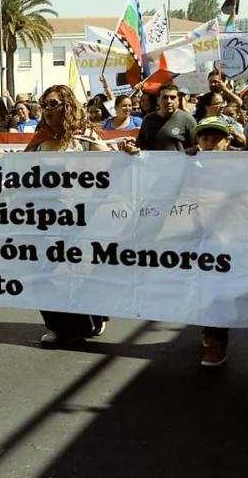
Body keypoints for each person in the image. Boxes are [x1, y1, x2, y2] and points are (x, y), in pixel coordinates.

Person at [21, 85, 133, 345]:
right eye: (44, 104)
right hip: (45, 219)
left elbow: (110, 167)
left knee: (79, 272)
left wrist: (126, 154)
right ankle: (58, 325)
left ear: (67, 106)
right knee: (42, 272)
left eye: (53, 104)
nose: (46, 110)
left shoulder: (85, 137)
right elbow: (20, 171)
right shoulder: (40, 139)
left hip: (81, 218)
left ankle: (93, 316)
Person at [186, 117, 236, 365]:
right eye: (205, 138)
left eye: (216, 138)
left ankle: (217, 343)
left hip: (227, 238)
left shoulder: (241, 166)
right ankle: (210, 331)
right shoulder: (189, 163)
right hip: (195, 235)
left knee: (218, 288)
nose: (210, 143)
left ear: (228, 142)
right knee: (202, 287)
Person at [137, 83, 196, 151]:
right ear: (158, 100)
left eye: (173, 98)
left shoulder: (187, 120)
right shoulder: (148, 120)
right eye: (165, 97)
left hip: (178, 161)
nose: (168, 101)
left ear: (178, 100)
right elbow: (140, 146)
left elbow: (196, 146)